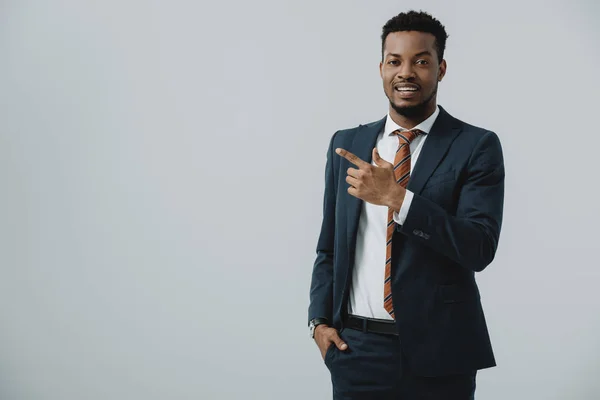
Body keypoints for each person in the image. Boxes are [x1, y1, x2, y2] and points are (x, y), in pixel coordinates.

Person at [307, 10, 505, 399]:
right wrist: (319, 322)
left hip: (443, 355)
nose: (406, 73)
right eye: (395, 61)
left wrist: (398, 198)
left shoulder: (476, 146)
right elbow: (328, 247)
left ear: (441, 68)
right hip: (356, 353)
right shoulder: (346, 145)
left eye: (421, 61)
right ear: (381, 67)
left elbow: (478, 247)